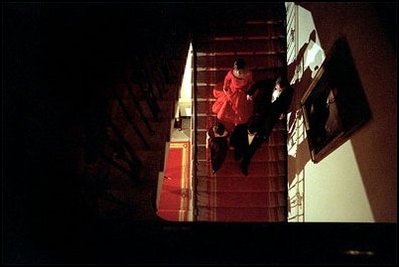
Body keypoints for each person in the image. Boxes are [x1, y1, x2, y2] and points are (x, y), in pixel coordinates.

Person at [246, 76, 294, 143]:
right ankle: (250, 133)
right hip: (263, 105)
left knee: (268, 125)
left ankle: (262, 138)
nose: (279, 91)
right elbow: (257, 84)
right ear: (276, 84)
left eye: (281, 90)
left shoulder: (289, 91)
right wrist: (249, 93)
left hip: (274, 110)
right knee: (256, 121)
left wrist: (283, 112)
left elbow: (287, 104)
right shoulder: (269, 82)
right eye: (278, 89)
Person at [212, 58, 254, 129]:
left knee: (239, 108)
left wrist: (249, 91)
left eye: (240, 71)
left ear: (244, 68)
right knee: (229, 104)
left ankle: (237, 120)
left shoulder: (248, 73)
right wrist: (225, 87)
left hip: (242, 92)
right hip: (232, 91)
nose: (238, 72)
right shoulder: (231, 73)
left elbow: (250, 82)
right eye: (236, 70)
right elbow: (227, 79)